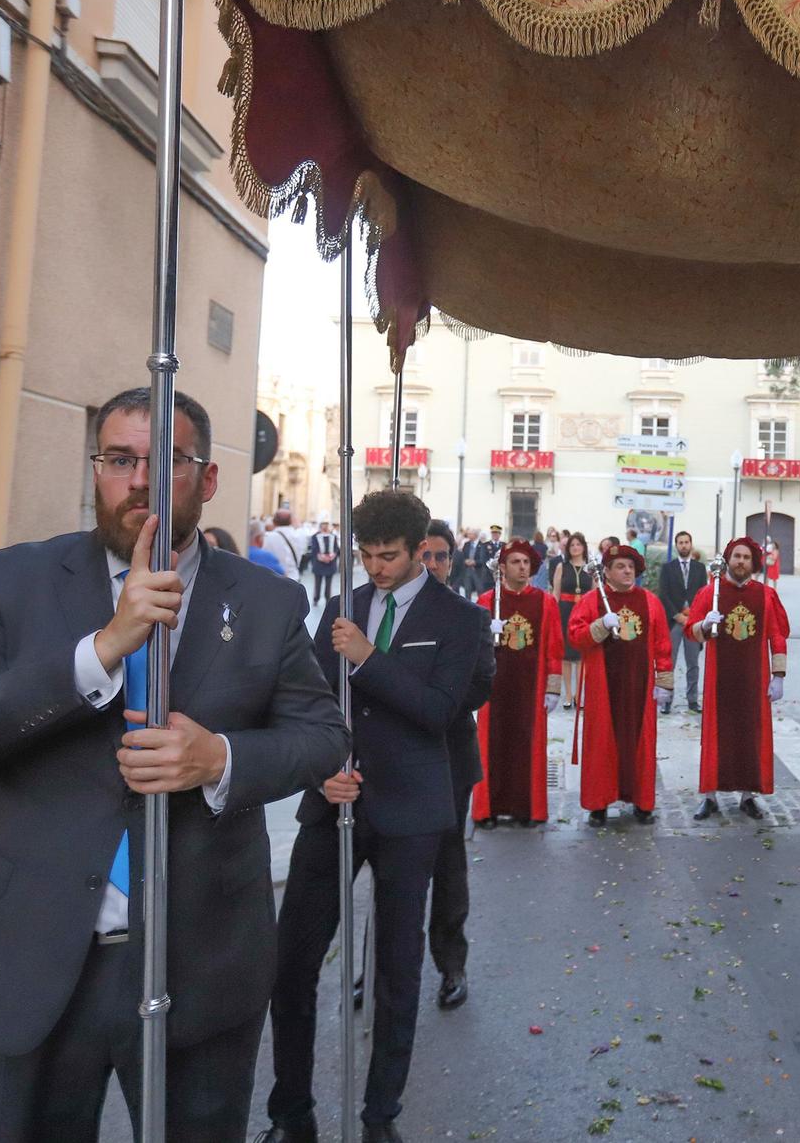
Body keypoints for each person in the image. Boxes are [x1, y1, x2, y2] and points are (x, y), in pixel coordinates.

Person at [0, 388, 347, 1142]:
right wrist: (101, 649)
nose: (139, 479)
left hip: (199, 961)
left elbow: (323, 734)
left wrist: (220, 757)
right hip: (21, 955)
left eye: (165, 459)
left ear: (205, 480)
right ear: (96, 471)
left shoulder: (266, 602)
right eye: (119, 459)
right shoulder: (13, 582)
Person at [263, 490, 492, 1143]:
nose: (376, 567)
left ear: (420, 548)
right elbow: (306, 698)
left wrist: (367, 656)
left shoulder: (459, 618)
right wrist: (318, 767)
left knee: (395, 969)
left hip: (412, 809)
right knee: (292, 960)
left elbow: (438, 709)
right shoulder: (342, 606)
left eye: (387, 555)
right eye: (365, 554)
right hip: (333, 800)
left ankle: (379, 1115)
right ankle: (291, 1108)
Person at [415, 518, 488, 1013]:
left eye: (441, 556)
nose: (433, 565)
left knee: (448, 866)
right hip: (395, 760)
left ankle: (451, 967)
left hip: (449, 757)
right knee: (393, 872)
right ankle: (375, 967)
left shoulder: (469, 616)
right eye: (425, 556)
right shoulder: (387, 611)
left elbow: (479, 685)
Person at [687, 537, 789, 820]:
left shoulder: (765, 595)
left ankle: (748, 795)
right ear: (728, 561)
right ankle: (709, 795)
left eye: (745, 557)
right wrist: (705, 624)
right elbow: (690, 630)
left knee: (751, 736)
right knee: (714, 736)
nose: (741, 562)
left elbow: (777, 634)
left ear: (753, 563)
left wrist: (778, 674)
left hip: (754, 680)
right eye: (736, 557)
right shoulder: (711, 592)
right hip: (719, 679)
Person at [570, 545, 674, 825]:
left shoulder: (650, 602)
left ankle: (642, 802)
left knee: (641, 743)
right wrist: (601, 625)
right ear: (606, 572)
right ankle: (598, 803)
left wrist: (664, 681)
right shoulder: (593, 602)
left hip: (640, 686)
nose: (627, 571)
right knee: (600, 742)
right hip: (604, 687)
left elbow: (663, 644)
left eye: (630, 567)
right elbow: (576, 636)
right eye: (619, 566)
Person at [474, 539, 563, 827]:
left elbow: (554, 647)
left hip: (531, 686)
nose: (522, 567)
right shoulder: (487, 601)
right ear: (503, 567)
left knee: (528, 746)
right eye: (516, 562)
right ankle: (488, 810)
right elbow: (470, 645)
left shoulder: (545, 602)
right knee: (492, 746)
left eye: (526, 562)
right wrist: (485, 633)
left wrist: (552, 688)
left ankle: (528, 808)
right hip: (495, 687)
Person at [654, 531, 708, 713]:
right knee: (670, 661)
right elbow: (663, 594)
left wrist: (693, 616)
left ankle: (692, 700)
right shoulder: (668, 568)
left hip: (693, 623)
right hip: (674, 621)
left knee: (693, 662)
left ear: (691, 544)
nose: (684, 545)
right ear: (676, 545)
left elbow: (703, 594)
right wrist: (677, 615)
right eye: (680, 542)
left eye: (686, 542)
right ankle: (667, 700)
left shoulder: (700, 569)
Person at [551, 532, 595, 711]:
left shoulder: (590, 568)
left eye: (578, 544)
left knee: (581, 656)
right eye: (572, 545)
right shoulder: (562, 567)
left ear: (583, 547)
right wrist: (553, 613)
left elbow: (594, 592)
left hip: (583, 612)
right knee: (567, 656)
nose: (575, 548)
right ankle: (568, 693)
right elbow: (556, 592)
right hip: (565, 610)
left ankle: (579, 694)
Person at [263, 510, 306, 583]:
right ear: (290, 521)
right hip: (294, 578)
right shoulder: (300, 536)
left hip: (274, 578)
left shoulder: (268, 537)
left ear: (274, 521)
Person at [309, 518, 342, 603]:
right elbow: (314, 549)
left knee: (328, 583)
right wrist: (321, 557)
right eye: (323, 523)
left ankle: (328, 599)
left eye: (327, 523)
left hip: (330, 563)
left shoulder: (333, 536)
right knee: (318, 583)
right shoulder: (315, 536)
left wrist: (333, 555)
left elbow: (336, 548)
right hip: (319, 563)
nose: (325, 525)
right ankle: (316, 598)